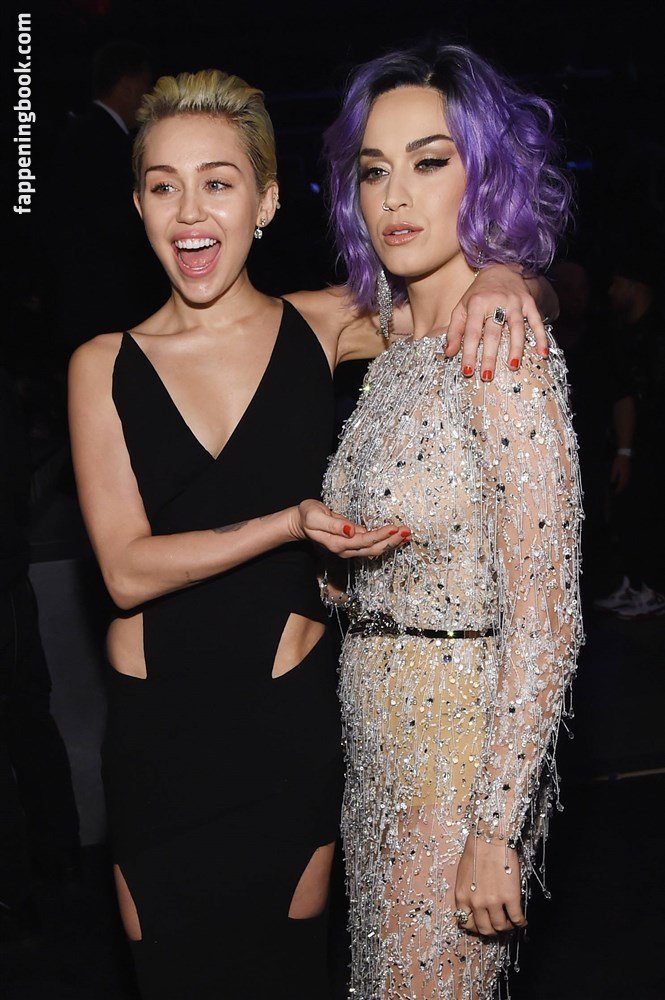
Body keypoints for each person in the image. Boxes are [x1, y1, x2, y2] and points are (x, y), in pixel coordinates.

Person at [67, 67, 555, 999]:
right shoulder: (103, 365)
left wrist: (504, 271)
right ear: (138, 207)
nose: (190, 212)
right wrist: (287, 523)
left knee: (285, 976)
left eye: (217, 182)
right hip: (157, 741)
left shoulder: (326, 324)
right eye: (163, 186)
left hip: (284, 728)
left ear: (265, 202)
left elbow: (481, 300)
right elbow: (125, 571)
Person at [322, 42, 583, 998]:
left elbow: (546, 620)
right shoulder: (394, 340)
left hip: (457, 759)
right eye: (373, 170)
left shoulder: (500, 345)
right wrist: (343, 569)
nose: (394, 196)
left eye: (429, 162)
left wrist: (494, 829)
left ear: (487, 176)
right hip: (373, 747)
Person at [51, 40, 168, 355]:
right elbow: (114, 224)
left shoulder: (82, 134)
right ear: (128, 85)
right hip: (107, 299)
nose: (150, 94)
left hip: (93, 297)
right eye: (147, 84)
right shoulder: (100, 141)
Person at [593, 241, 665, 618]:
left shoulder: (655, 334)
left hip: (651, 444)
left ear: (635, 286)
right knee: (629, 510)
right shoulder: (623, 332)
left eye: (617, 283)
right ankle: (633, 582)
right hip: (633, 443)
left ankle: (650, 589)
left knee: (648, 510)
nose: (610, 291)